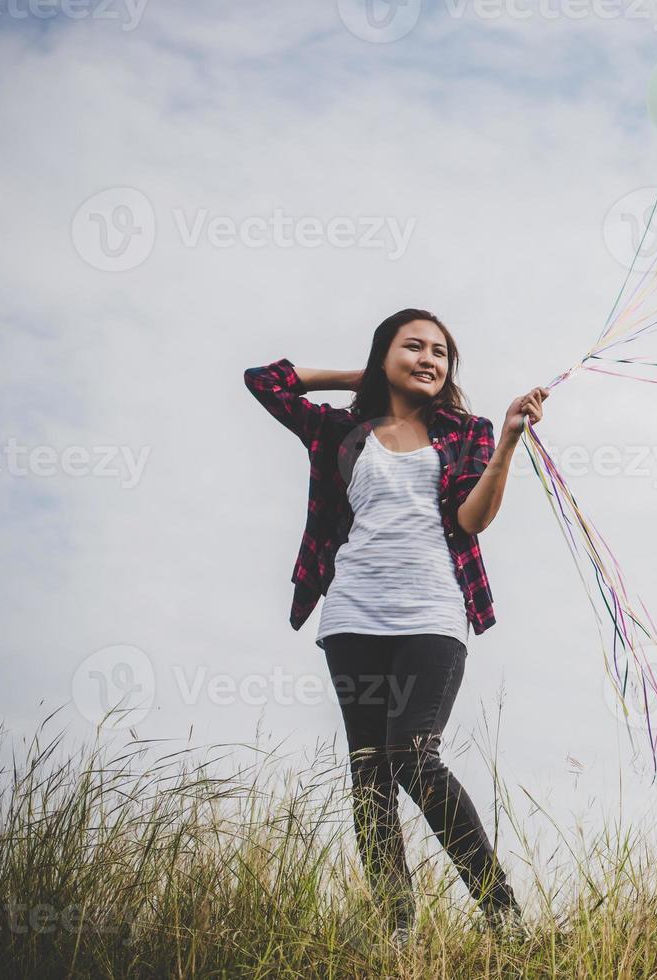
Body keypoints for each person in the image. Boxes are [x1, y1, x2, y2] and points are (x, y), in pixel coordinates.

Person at [243, 308, 548, 944]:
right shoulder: (339, 427)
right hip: (353, 615)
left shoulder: (469, 432)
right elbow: (264, 380)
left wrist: (512, 440)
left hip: (433, 615)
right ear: (384, 354)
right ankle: (397, 931)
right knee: (369, 769)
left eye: (441, 352)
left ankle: (502, 915)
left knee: (414, 755)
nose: (430, 359)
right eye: (413, 347)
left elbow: (472, 520)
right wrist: (367, 379)